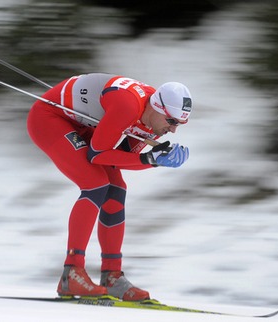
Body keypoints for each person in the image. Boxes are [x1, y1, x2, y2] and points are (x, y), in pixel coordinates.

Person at [27, 73, 192, 301]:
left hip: (85, 126)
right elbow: (98, 155)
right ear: (157, 108)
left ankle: (112, 276)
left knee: (116, 188)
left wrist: (153, 157)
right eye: (172, 121)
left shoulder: (154, 120)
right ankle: (71, 273)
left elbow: (120, 156)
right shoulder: (129, 105)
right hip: (51, 119)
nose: (173, 130)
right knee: (95, 183)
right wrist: (150, 160)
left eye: (180, 123)